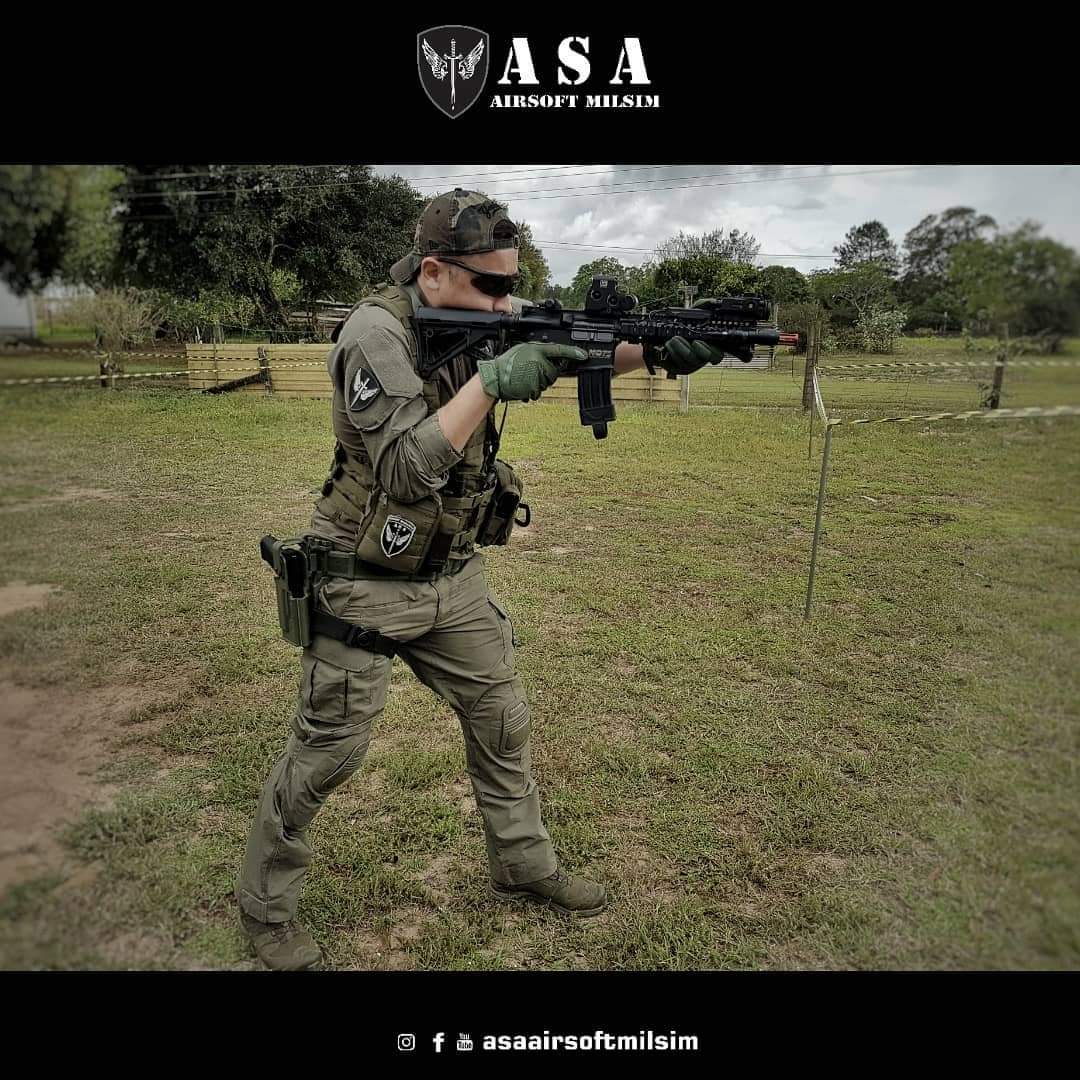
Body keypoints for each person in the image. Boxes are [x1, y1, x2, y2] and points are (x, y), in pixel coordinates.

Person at [235, 188, 723, 970]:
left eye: (511, 284)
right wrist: (491, 382)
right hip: (361, 577)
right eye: (492, 286)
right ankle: (265, 909)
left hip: (452, 573)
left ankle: (521, 863)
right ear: (433, 273)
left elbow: (576, 347)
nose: (505, 301)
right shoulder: (374, 333)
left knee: (502, 720)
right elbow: (404, 469)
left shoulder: (485, 308)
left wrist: (657, 350)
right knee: (329, 750)